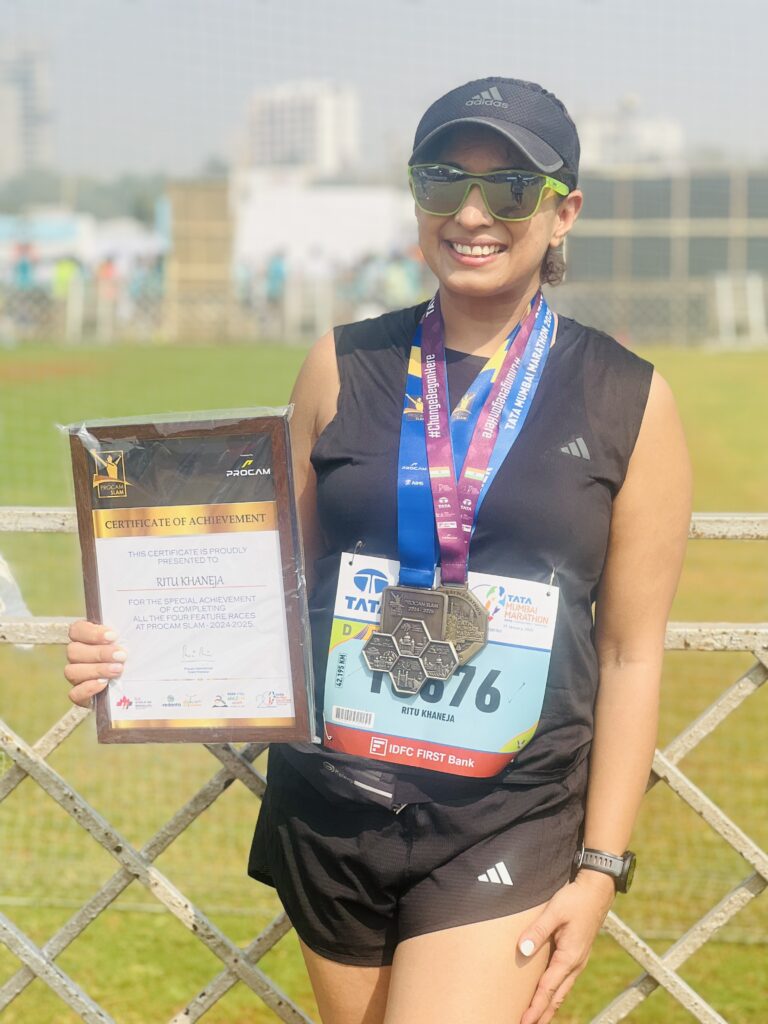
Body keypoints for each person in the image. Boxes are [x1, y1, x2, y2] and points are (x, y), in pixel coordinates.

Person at [64, 77, 692, 1024]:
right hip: (333, 803)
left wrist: (601, 866)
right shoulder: (338, 364)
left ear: (563, 213)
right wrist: (132, 652)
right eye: (442, 181)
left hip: (505, 809)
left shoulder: (628, 398)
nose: (471, 214)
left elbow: (631, 653)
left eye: (509, 188)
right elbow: (266, 590)